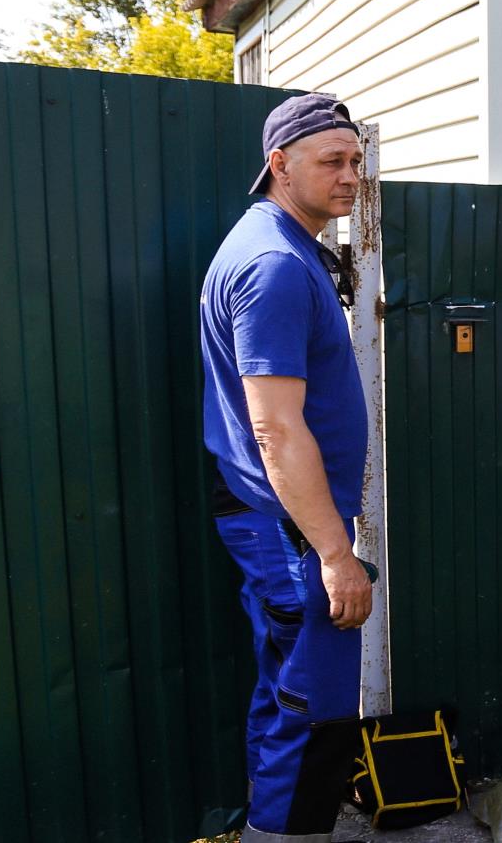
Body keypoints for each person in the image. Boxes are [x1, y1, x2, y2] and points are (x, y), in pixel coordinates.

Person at [200, 92, 372, 843]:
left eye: (356, 161)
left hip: (283, 523)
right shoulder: (272, 261)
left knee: (288, 703)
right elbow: (274, 426)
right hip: (292, 530)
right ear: (279, 164)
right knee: (313, 711)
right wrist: (335, 553)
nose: (349, 176)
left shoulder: (281, 243)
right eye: (331, 161)